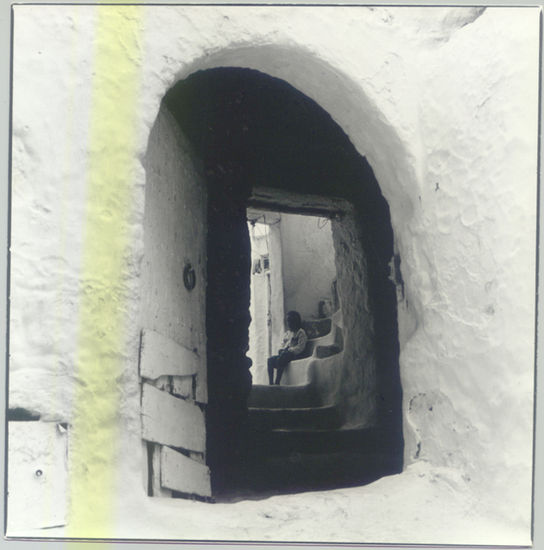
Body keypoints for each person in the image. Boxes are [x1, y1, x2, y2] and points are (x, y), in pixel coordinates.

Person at [267, 311, 308, 385]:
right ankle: (271, 383)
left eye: (291, 321)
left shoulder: (301, 333)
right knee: (270, 360)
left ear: (296, 322)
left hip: (295, 355)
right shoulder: (288, 334)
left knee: (282, 357)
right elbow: (283, 344)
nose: (289, 324)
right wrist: (282, 349)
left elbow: (300, 347)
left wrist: (290, 350)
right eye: (288, 321)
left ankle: (277, 382)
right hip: (285, 354)